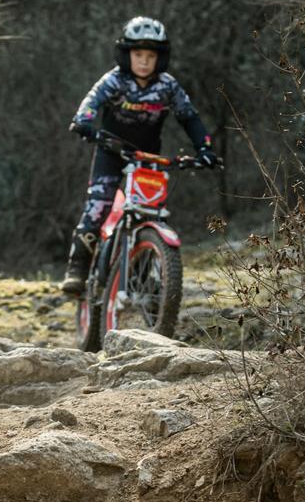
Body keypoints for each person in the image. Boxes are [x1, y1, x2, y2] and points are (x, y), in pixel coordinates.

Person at [60, 16, 218, 295]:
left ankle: (147, 273)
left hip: (148, 158)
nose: (144, 61)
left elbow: (190, 118)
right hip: (110, 152)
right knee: (97, 208)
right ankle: (78, 269)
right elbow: (89, 106)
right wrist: (84, 123)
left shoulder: (168, 86)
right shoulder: (114, 81)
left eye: (151, 56)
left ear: (161, 58)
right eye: (138, 54)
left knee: (151, 214)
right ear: (126, 55)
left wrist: (204, 149)